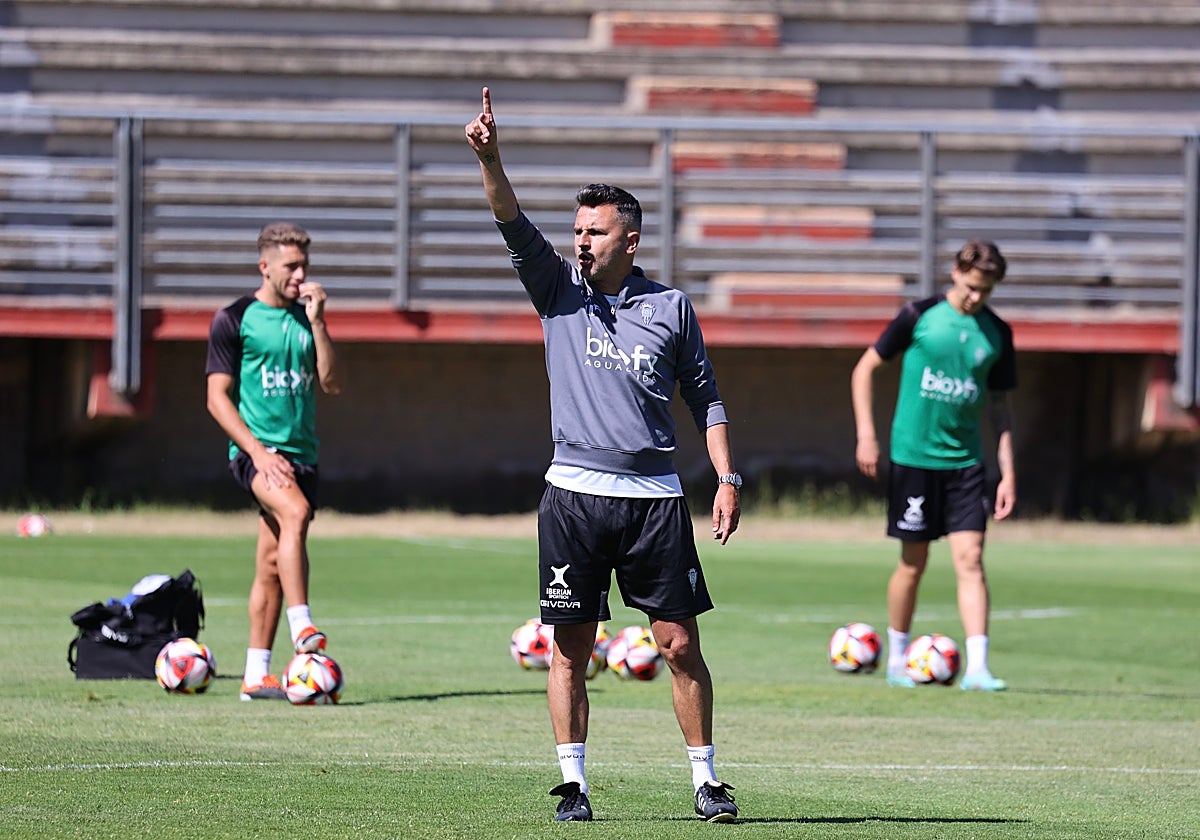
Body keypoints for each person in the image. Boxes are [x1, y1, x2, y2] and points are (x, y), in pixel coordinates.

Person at [466, 87, 743, 822]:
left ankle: (706, 781)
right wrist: (492, 159)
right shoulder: (557, 289)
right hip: (573, 498)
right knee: (571, 645)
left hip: (654, 502)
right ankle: (574, 786)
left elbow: (706, 398)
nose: (580, 240)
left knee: (679, 643)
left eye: (594, 231)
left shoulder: (672, 309)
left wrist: (726, 477)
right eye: (578, 229)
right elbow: (509, 221)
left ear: (630, 240)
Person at [850, 240, 1016, 692]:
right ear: (956, 272)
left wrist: (1007, 470)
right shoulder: (918, 316)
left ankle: (979, 668)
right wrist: (867, 435)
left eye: (986, 291)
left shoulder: (998, 333)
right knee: (913, 562)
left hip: (966, 465)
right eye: (970, 287)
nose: (975, 298)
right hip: (915, 461)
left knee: (972, 559)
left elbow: (1000, 409)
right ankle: (898, 657)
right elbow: (864, 369)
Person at [205, 221, 343, 701]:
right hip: (257, 454)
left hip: (304, 455)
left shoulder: (308, 317)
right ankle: (303, 627)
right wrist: (258, 454)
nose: (300, 274)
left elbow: (332, 382)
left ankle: (255, 675)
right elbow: (217, 399)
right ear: (264, 266)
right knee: (296, 513)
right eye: (290, 266)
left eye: (304, 265)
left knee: (270, 561)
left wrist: (320, 321)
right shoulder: (234, 318)